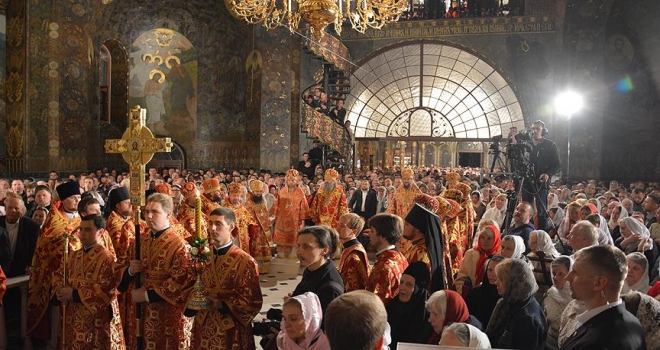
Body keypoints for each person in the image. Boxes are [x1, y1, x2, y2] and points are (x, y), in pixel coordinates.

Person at [118, 193, 195, 349]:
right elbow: (121, 269)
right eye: (146, 212)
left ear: (168, 214)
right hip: (140, 311)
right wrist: (130, 271)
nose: (149, 216)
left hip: (166, 313)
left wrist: (146, 295)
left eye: (155, 212)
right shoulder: (138, 242)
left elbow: (180, 281)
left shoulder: (179, 245)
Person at [187, 207, 262, 349]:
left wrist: (222, 304)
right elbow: (190, 285)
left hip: (230, 330)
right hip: (203, 325)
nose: (213, 228)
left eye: (219, 224)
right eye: (210, 223)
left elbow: (253, 302)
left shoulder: (246, 261)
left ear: (231, 227)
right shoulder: (203, 256)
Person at [52, 214, 124, 349]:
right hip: (72, 316)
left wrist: (73, 294)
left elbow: (106, 289)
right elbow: (59, 274)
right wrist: (59, 290)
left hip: (95, 319)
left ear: (101, 232)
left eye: (88, 230)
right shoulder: (73, 255)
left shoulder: (107, 258)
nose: (82, 234)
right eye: (81, 229)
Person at [27, 181, 82, 345]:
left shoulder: (84, 218)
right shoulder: (53, 222)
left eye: (79, 197)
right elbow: (44, 249)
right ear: (64, 200)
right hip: (55, 277)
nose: (77, 201)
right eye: (73, 198)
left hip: (79, 276)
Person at [559, 245, 645, 350]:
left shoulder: (594, 344)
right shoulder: (632, 321)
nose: (567, 277)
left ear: (599, 283)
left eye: (575, 273)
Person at [486, 258, 547, 350]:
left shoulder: (526, 319)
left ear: (514, 282)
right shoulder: (514, 301)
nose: (496, 282)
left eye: (501, 279)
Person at [291, 226, 344, 315]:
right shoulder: (311, 269)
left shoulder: (330, 288)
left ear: (324, 250)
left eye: (306, 247)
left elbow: (324, 326)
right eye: (299, 246)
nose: (299, 252)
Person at [521, 120, 561, 231]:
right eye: (533, 128)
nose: (535, 131)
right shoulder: (526, 144)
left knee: (542, 211)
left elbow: (557, 164)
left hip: (541, 182)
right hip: (527, 181)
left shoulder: (550, 145)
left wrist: (548, 173)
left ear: (543, 130)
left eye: (538, 129)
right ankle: (527, 231)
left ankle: (541, 235)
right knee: (526, 209)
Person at [386, 262, 433, 349]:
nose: (402, 287)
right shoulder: (391, 306)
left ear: (418, 289)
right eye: (402, 282)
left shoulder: (427, 316)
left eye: (409, 285)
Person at [403, 201, 447, 292]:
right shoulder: (419, 246)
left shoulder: (421, 252)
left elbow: (415, 285)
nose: (403, 227)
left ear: (418, 228)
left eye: (407, 224)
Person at [367, 213, 409, 305]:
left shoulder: (385, 266)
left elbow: (376, 304)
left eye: (372, 231)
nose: (369, 234)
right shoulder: (399, 256)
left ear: (383, 236)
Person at [455, 224, 502, 297]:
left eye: (489, 238)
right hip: (470, 296)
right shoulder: (470, 254)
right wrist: (464, 294)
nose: (485, 241)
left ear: (496, 239)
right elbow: (461, 278)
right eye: (482, 237)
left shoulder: (500, 258)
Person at [272, 169, 309, 259]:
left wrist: (302, 221)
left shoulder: (300, 193)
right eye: (289, 180)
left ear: (296, 181)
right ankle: (281, 253)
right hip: (282, 220)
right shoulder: (282, 191)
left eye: (293, 180)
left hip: (295, 220)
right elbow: (276, 205)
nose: (291, 182)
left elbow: (304, 208)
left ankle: (293, 254)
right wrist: (274, 216)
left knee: (294, 238)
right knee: (282, 237)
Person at [387, 167, 422, 256]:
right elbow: (391, 208)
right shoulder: (397, 193)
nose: (406, 181)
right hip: (400, 225)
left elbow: (422, 209)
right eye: (405, 179)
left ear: (412, 179)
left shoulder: (418, 194)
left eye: (408, 179)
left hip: (412, 225)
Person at [542, 256, 574, 350]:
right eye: (554, 273)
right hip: (548, 344)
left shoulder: (578, 299)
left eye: (561, 274)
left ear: (570, 275)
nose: (555, 277)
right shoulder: (550, 294)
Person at [465, 255, 505, 329]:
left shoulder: (506, 296)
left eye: (497, 270)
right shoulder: (475, 293)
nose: (492, 274)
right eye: (490, 270)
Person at [336, 213, 370, 292]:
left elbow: (351, 286)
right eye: (338, 225)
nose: (337, 229)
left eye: (342, 226)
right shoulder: (349, 247)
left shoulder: (354, 255)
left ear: (354, 232)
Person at [246, 180, 274, 274]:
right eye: (256, 192)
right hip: (255, 228)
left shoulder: (263, 200)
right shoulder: (249, 202)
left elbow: (265, 212)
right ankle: (256, 267)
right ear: (253, 192)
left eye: (260, 191)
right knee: (256, 247)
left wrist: (267, 222)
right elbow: (247, 215)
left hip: (264, 228)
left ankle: (265, 267)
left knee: (265, 246)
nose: (258, 193)